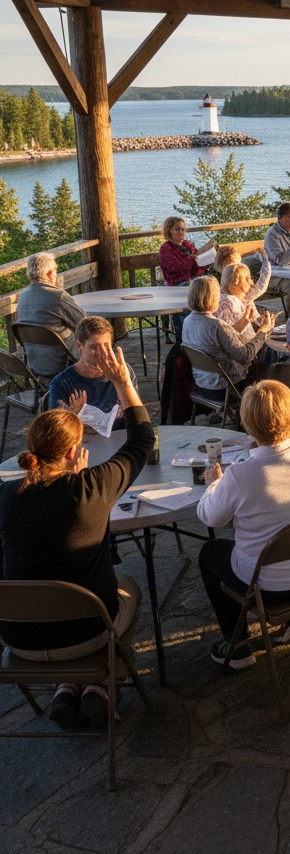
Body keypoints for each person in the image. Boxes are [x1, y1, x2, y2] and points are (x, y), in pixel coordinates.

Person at [0, 343, 154, 726]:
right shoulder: (91, 488)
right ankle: (102, 685)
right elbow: (141, 439)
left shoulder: (5, 496)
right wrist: (123, 383)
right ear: (73, 451)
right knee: (129, 588)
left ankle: (67, 686)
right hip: (86, 633)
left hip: (18, 636)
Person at [195, 324, 290, 667]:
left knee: (210, 553)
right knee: (289, 531)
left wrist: (213, 484)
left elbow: (209, 517)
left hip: (271, 586)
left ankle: (238, 646)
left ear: (248, 427)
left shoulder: (239, 475)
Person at [181, 276, 275, 401]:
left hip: (201, 384)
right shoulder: (217, 326)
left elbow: (222, 338)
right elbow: (245, 356)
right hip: (226, 388)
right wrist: (262, 332)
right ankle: (261, 405)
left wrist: (244, 321)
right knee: (269, 358)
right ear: (213, 297)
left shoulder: (187, 321)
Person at [49, 317, 140, 430]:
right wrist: (74, 416)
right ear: (79, 346)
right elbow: (56, 431)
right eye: (94, 347)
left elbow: (138, 417)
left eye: (106, 345)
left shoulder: (122, 372)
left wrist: (123, 385)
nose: (102, 353)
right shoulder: (62, 383)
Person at [15, 251, 85, 380]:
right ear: (50, 273)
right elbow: (84, 324)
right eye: (55, 270)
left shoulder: (22, 297)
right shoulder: (58, 296)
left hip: (36, 364)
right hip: (64, 362)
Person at [215, 251, 271, 342]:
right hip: (245, 344)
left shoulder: (221, 295)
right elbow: (238, 337)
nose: (251, 282)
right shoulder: (231, 302)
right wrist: (262, 331)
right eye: (247, 278)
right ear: (235, 282)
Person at [158, 216, 215, 287]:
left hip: (193, 279)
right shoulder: (166, 248)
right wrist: (191, 259)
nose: (181, 232)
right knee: (202, 287)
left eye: (183, 229)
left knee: (212, 283)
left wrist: (206, 259)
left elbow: (196, 267)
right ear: (169, 231)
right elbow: (174, 270)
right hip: (177, 283)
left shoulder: (188, 245)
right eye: (177, 229)